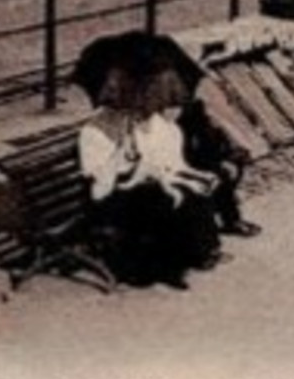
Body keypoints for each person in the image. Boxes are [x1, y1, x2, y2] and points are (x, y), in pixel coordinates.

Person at [77, 107, 222, 289]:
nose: (121, 118)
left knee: (166, 197)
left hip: (128, 187)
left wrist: (166, 184)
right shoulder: (92, 134)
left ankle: (178, 264)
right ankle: (152, 271)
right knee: (156, 202)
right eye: (115, 112)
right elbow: (100, 185)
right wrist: (117, 153)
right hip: (104, 196)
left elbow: (143, 163)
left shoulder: (126, 127)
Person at [176, 99, 260, 238]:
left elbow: (212, 142)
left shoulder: (200, 114)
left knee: (234, 161)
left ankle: (227, 216)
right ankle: (229, 220)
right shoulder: (181, 122)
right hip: (185, 164)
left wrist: (226, 158)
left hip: (202, 154)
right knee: (219, 172)